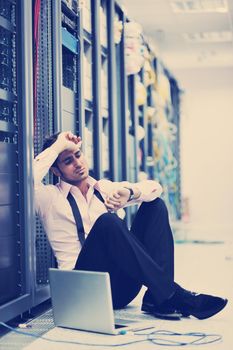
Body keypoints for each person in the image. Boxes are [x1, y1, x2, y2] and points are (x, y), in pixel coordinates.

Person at [34, 131, 227, 320]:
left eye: (78, 155)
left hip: (120, 289)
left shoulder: (104, 188)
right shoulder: (49, 198)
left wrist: (130, 192)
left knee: (155, 205)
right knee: (108, 222)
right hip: (83, 290)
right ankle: (170, 294)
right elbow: (27, 179)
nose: (77, 163)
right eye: (68, 161)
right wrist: (59, 145)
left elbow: (154, 187)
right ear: (55, 170)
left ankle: (157, 297)